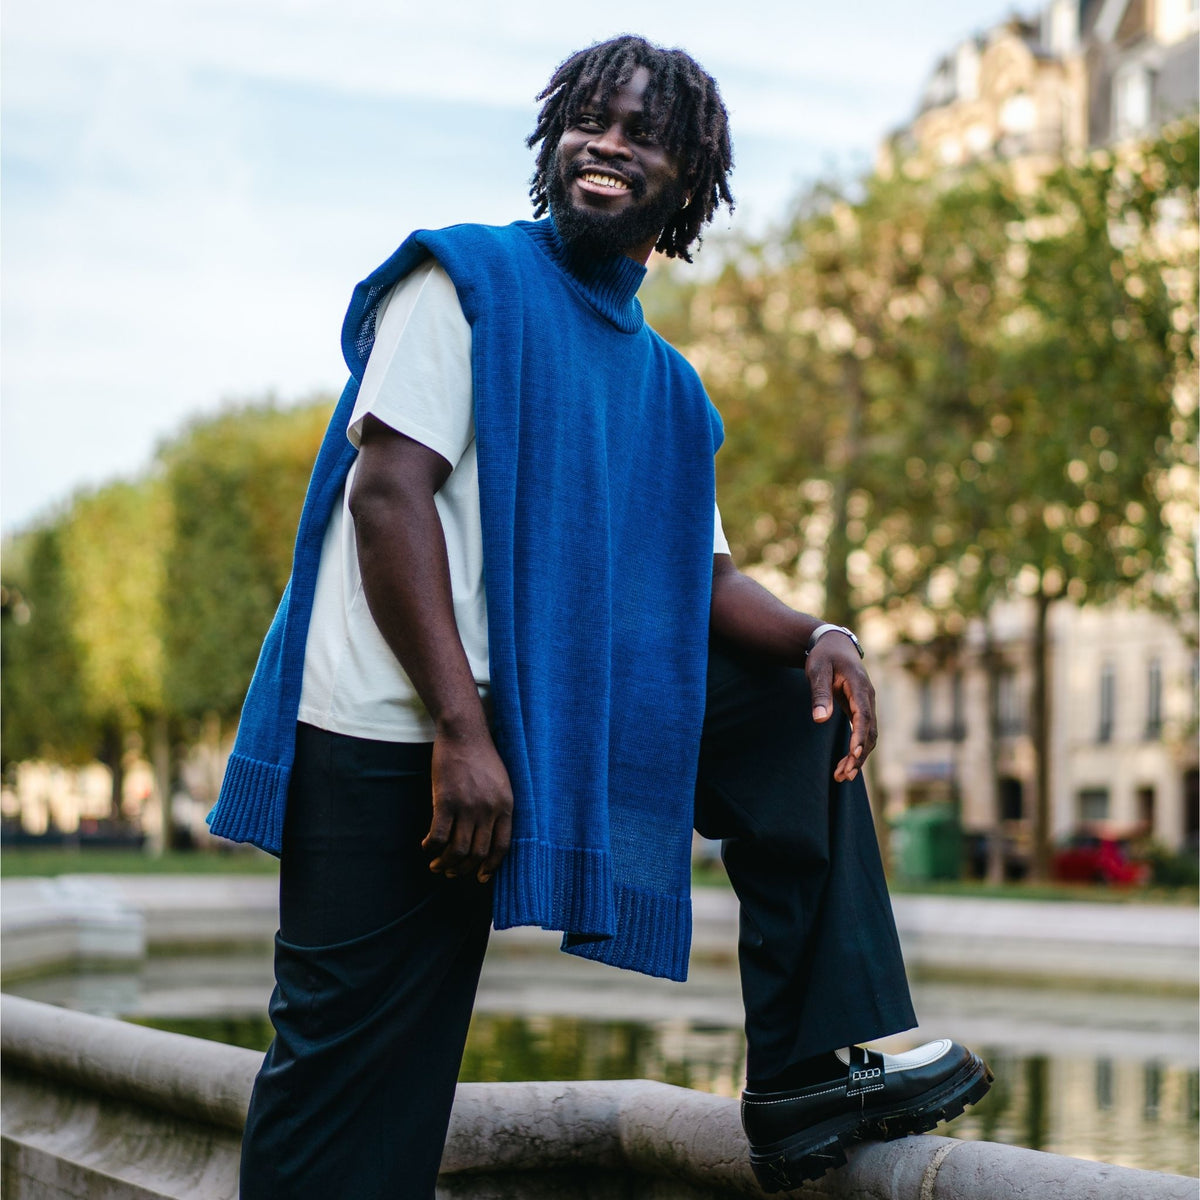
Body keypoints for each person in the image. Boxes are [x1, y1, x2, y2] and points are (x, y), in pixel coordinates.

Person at [208, 34, 991, 1198]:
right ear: (554, 137)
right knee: (354, 1079)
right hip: (394, 736)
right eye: (591, 120)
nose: (608, 144)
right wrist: (462, 733)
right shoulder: (461, 280)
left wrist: (827, 638)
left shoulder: (668, 387)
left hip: (533, 728)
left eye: (644, 133)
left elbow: (707, 585)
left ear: (690, 180)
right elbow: (387, 496)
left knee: (798, 708)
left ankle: (805, 1071)